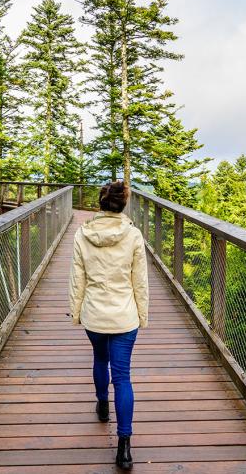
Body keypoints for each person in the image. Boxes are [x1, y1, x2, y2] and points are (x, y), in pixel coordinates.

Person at [68, 180, 149, 470]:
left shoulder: (82, 234)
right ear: (123, 204)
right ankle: (124, 447)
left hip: (94, 314)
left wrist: (76, 312)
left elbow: (78, 278)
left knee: (99, 359)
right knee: (123, 377)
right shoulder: (134, 235)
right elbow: (139, 280)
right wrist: (143, 314)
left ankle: (102, 405)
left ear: (100, 204)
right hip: (125, 316)